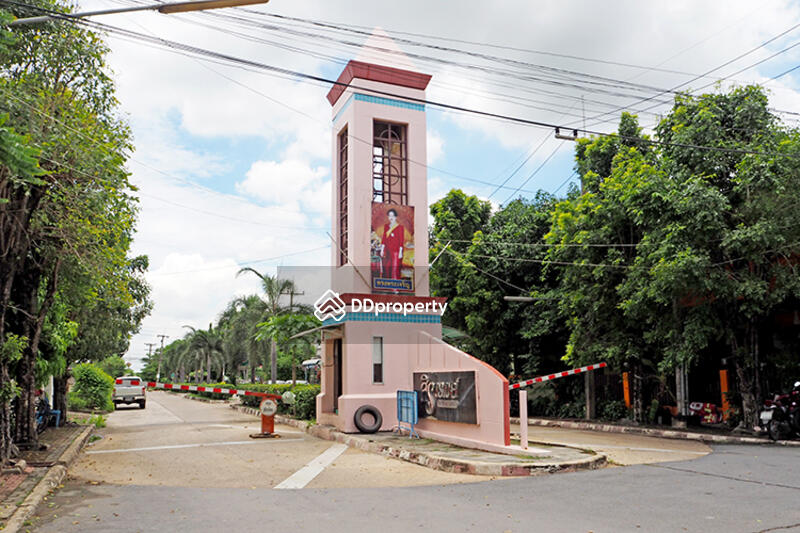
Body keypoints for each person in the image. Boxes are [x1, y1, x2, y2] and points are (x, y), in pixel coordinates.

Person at [380, 208, 405, 279]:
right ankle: (388, 286)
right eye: (389, 216)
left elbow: (401, 241)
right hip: (387, 251)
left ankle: (395, 287)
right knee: (387, 268)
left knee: (395, 268)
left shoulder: (400, 227)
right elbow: (384, 239)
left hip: (396, 251)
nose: (391, 218)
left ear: (395, 217)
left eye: (392, 216)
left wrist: (400, 252)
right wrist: (382, 250)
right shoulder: (386, 226)